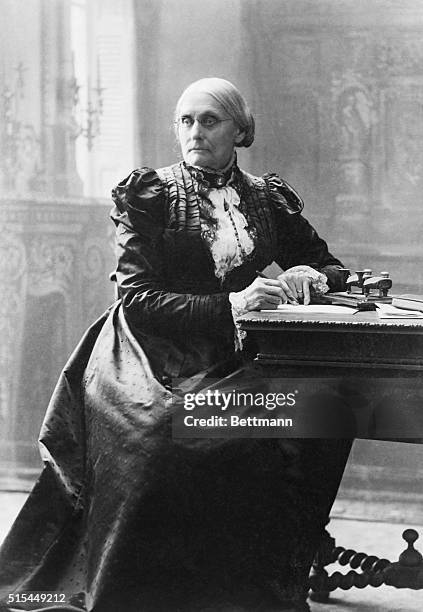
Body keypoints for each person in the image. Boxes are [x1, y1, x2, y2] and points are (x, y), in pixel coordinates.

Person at [0, 78, 351, 612]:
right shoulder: (151, 195)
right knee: (175, 432)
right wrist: (234, 304)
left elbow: (331, 266)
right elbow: (138, 299)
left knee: (314, 418)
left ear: (240, 129)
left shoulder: (264, 197)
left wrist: (309, 274)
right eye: (185, 121)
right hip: (147, 353)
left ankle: (258, 578)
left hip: (238, 354)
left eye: (209, 120)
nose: (194, 132)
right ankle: (158, 591)